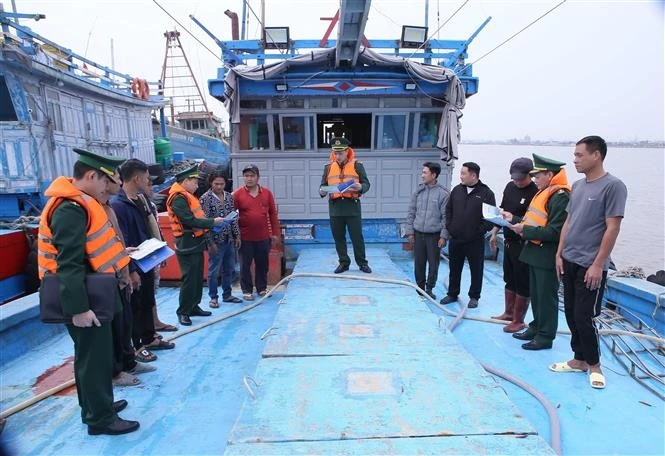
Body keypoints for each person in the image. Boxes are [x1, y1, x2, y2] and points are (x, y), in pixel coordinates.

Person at [37, 148, 139, 435]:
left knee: (96, 356)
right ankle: (99, 419)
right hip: (83, 298)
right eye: (105, 181)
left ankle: (97, 404)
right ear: (92, 175)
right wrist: (78, 309)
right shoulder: (70, 208)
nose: (107, 188)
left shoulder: (80, 203)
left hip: (95, 291)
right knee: (93, 358)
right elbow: (68, 263)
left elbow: (90, 251)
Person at [552, 136, 627, 389]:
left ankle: (594, 365)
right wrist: (559, 253)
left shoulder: (613, 186)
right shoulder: (578, 186)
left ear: (597, 155)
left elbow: (612, 228)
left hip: (590, 264)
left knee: (586, 316)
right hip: (570, 258)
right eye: (574, 155)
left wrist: (598, 264)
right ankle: (579, 359)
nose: (575, 160)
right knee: (571, 313)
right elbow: (569, 222)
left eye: (579, 155)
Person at [112, 159, 175, 359]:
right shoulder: (119, 206)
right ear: (138, 178)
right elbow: (123, 242)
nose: (149, 182)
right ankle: (138, 345)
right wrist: (130, 270)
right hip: (134, 264)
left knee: (148, 300)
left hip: (148, 259)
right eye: (147, 178)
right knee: (136, 306)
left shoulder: (140, 200)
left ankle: (150, 337)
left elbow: (150, 228)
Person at [509, 154, 570, 350]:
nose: (535, 179)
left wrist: (524, 230)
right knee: (536, 295)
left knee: (546, 297)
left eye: (538, 175)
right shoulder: (545, 192)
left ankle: (545, 337)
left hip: (547, 255)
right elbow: (536, 220)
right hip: (534, 252)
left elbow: (556, 231)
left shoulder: (560, 197)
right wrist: (515, 221)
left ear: (550, 174)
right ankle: (535, 327)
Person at [101, 169, 156, 387]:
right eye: (115, 179)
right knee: (115, 328)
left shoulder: (108, 207)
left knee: (125, 321)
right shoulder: (116, 206)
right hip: (106, 279)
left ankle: (129, 361)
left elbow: (119, 243)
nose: (119, 182)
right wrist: (132, 269)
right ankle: (116, 372)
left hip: (121, 273)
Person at [166, 164, 226, 326]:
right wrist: (212, 222)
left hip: (196, 242)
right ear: (185, 181)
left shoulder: (186, 196)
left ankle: (194, 306)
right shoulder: (178, 198)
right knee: (189, 278)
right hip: (187, 243)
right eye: (194, 182)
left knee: (198, 276)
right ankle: (183, 311)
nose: (197, 185)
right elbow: (189, 220)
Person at [489, 158, 538, 332]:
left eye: (521, 178)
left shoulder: (536, 192)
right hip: (509, 241)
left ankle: (519, 320)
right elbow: (502, 212)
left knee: (522, 281)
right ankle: (508, 313)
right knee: (509, 278)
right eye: (514, 178)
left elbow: (535, 222)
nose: (517, 181)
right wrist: (495, 232)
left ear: (530, 175)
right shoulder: (510, 187)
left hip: (524, 243)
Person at [440, 162, 495, 308]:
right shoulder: (457, 190)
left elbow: (491, 218)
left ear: (473, 175)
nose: (461, 176)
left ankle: (474, 296)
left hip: (474, 240)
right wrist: (451, 228)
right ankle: (452, 293)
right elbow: (448, 210)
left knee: (476, 268)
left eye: (464, 173)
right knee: (454, 267)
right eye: (461, 173)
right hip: (456, 238)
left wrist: (479, 231)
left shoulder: (486, 193)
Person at [319, 137, 372, 274]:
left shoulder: (357, 165)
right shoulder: (328, 167)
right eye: (335, 153)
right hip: (335, 208)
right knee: (338, 237)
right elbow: (323, 185)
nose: (338, 156)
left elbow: (366, 184)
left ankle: (362, 263)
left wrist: (360, 187)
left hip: (352, 207)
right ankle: (344, 263)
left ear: (347, 151)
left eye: (340, 153)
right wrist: (322, 191)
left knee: (357, 237)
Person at [233, 164, 280, 300]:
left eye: (252, 176)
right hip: (245, 238)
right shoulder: (237, 195)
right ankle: (247, 290)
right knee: (245, 265)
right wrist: (236, 236)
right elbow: (231, 216)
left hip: (263, 237)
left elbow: (272, 215)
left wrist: (275, 234)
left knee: (262, 264)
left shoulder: (266, 193)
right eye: (246, 176)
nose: (249, 179)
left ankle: (262, 288)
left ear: (258, 177)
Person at [405, 162, 450, 299]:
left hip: (434, 236)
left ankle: (429, 288)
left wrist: (443, 236)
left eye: (425, 172)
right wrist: (410, 232)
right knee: (419, 262)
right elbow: (411, 212)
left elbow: (446, 218)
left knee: (433, 264)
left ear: (434, 175)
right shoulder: (418, 191)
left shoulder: (443, 194)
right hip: (418, 234)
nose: (422, 175)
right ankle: (420, 288)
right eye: (422, 172)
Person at [200, 171, 242, 307]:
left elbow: (233, 217)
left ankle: (227, 294)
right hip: (215, 240)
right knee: (214, 270)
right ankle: (213, 297)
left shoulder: (229, 197)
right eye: (216, 184)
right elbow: (204, 222)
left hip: (229, 238)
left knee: (229, 268)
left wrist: (237, 235)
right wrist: (209, 242)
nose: (219, 186)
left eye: (222, 184)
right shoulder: (205, 199)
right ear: (210, 183)